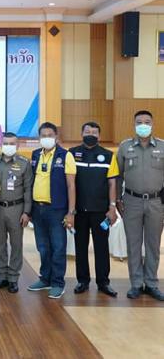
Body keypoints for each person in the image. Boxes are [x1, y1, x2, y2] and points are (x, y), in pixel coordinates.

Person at [117, 110, 164, 300]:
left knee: (153, 245)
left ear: (152, 124)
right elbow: (118, 176)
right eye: (139, 122)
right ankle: (136, 283)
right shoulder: (125, 147)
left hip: (156, 203)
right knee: (133, 244)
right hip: (132, 202)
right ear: (134, 124)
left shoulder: (162, 146)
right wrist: (117, 200)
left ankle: (151, 283)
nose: (143, 125)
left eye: (147, 122)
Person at [27, 122, 76, 299]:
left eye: (50, 135)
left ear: (56, 137)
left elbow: (71, 185)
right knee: (43, 247)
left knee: (58, 247)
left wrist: (71, 212)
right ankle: (45, 278)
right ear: (39, 138)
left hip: (57, 210)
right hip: (38, 209)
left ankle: (57, 283)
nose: (46, 138)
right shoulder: (35, 155)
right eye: (43, 135)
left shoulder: (65, 155)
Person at [69, 122, 119, 297]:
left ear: (99, 136)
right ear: (81, 134)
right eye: (87, 131)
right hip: (79, 211)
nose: (91, 134)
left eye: (94, 132)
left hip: (101, 211)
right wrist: (70, 211)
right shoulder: (72, 154)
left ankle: (103, 282)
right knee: (80, 247)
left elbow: (112, 184)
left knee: (101, 247)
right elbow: (69, 183)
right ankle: (83, 281)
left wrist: (112, 207)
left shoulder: (108, 155)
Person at [0, 132, 32, 293]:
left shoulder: (24, 163)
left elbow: (28, 189)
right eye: (6, 143)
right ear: (1, 144)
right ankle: (2, 276)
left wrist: (26, 212)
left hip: (17, 209)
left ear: (18, 145)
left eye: (12, 143)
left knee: (16, 245)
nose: (8, 146)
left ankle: (13, 278)